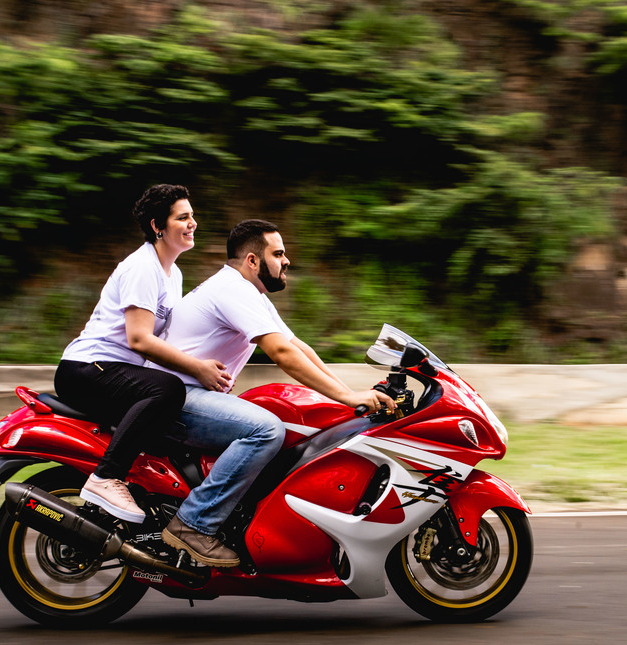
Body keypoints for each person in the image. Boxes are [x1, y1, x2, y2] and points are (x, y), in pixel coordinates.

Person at [151, 219, 395, 566]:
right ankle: (192, 525)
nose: (287, 261)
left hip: (188, 393)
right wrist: (347, 398)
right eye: (278, 253)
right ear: (252, 260)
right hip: (177, 397)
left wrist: (348, 394)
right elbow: (280, 355)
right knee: (265, 430)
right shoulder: (232, 289)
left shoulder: (250, 294)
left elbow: (297, 346)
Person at [55, 184, 232, 523]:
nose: (193, 223)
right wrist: (196, 369)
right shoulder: (142, 268)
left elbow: (166, 341)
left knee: (169, 399)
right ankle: (105, 478)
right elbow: (140, 339)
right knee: (167, 389)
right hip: (88, 368)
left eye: (193, 215)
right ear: (157, 226)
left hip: (112, 370)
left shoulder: (173, 273)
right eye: (183, 217)